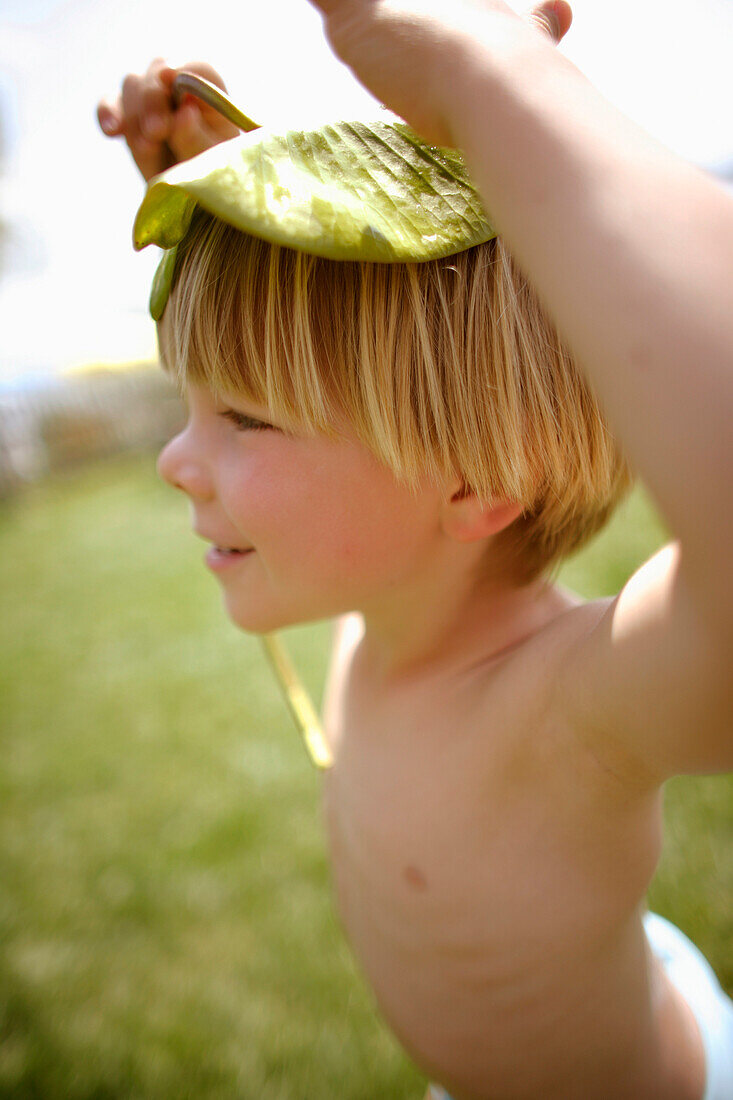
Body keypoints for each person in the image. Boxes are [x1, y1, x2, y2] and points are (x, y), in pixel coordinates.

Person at [98, 3, 733, 1097]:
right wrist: (239, 192)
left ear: (481, 477)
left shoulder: (566, 710)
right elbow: (375, 378)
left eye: (241, 418)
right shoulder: (392, 598)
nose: (175, 460)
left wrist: (490, 77)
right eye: (188, 403)